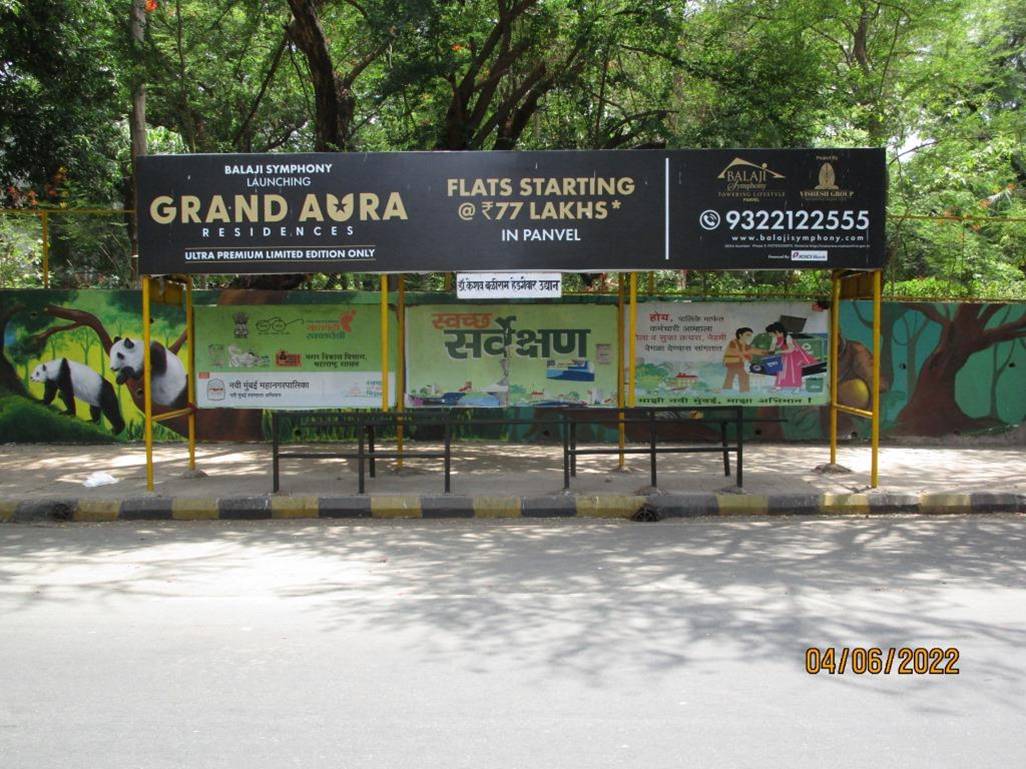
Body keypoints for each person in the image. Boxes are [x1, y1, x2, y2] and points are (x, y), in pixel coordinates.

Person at [765, 321, 816, 390]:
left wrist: (778, 351)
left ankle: (797, 387)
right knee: (781, 371)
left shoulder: (788, 337)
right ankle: (779, 386)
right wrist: (770, 351)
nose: (771, 336)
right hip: (785, 355)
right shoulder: (775, 338)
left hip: (795, 356)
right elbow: (772, 348)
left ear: (777, 332)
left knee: (794, 371)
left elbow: (791, 349)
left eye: (772, 334)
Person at [722, 327, 756, 392]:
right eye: (748, 335)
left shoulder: (746, 345)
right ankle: (729, 391)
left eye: (751, 335)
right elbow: (737, 352)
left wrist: (750, 358)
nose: (749, 337)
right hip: (732, 363)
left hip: (740, 363)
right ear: (740, 335)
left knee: (734, 377)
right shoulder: (733, 342)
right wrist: (745, 357)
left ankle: (742, 391)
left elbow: (750, 354)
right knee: (734, 377)